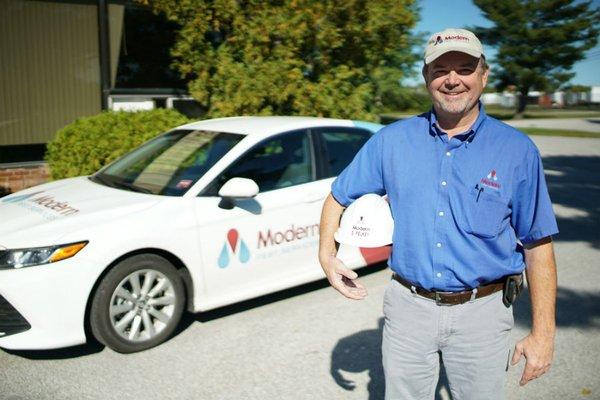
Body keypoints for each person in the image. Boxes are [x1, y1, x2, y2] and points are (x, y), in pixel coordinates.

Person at [318, 28, 558, 400]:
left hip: (484, 312)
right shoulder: (392, 140)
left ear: (484, 74)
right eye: (441, 69)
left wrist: (543, 334)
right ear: (426, 76)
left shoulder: (516, 151)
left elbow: (538, 243)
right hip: (408, 308)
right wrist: (326, 254)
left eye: (464, 68)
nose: (452, 79)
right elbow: (337, 197)